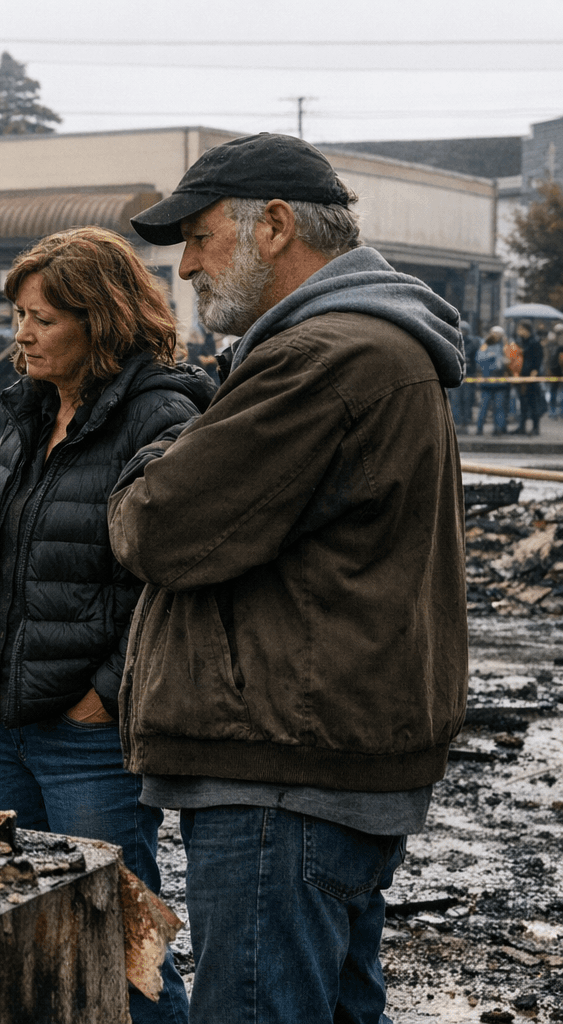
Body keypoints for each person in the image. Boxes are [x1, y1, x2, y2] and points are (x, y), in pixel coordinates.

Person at [114, 133, 468, 1023]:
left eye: (197, 238)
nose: (185, 267)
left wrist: (155, 453)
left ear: (273, 225)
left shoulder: (324, 358)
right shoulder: (355, 347)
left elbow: (159, 524)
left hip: (280, 771)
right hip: (312, 760)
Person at [0, 226, 213, 1024]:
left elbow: (173, 574)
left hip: (86, 737)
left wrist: (102, 694)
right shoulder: (30, 410)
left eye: (43, 319)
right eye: (18, 316)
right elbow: (1, 556)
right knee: (26, 930)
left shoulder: (159, 411)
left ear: (103, 321)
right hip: (0, 720)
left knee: (120, 940)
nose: (20, 336)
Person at [476, 326, 511, 436]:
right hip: (487, 381)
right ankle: (479, 428)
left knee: (499, 407)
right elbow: (479, 358)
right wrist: (490, 356)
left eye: (498, 334)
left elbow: (509, 359)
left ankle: (499, 429)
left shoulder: (505, 346)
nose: (496, 336)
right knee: (484, 407)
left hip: (500, 381)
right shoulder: (485, 345)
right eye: (494, 333)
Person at [520, 323, 545, 434]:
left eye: (520, 329)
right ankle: (522, 427)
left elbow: (538, 358)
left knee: (533, 403)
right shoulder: (523, 342)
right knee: (523, 403)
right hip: (523, 376)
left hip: (531, 377)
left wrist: (534, 371)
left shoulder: (534, 342)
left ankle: (535, 428)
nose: (519, 331)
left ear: (526, 330)